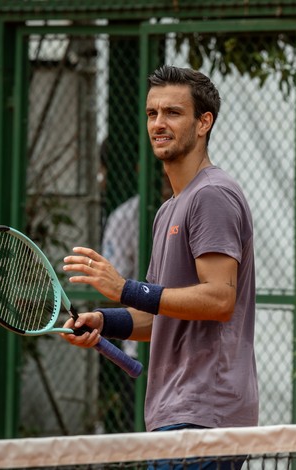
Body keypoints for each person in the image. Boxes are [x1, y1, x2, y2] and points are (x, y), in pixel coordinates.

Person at [61, 65, 258, 469]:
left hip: (204, 417)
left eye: (173, 113)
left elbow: (220, 298)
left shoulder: (213, 196)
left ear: (204, 122)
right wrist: (103, 320)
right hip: (177, 416)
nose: (159, 123)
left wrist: (125, 288)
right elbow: (161, 315)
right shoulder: (169, 208)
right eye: (152, 114)